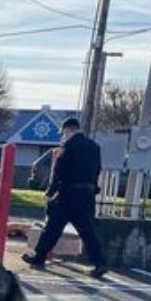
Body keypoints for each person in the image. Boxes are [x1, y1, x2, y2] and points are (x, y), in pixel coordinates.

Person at [22, 117, 108, 278]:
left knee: (53, 227)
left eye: (63, 133)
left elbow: (59, 172)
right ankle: (100, 263)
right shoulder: (94, 147)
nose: (62, 136)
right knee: (88, 231)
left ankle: (39, 257)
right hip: (87, 195)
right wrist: (93, 188)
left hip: (68, 194)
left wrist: (50, 191)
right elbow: (97, 169)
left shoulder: (67, 146)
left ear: (68, 130)